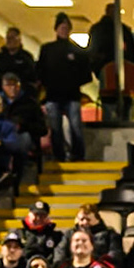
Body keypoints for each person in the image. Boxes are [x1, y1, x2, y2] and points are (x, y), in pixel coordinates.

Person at [37, 12, 91, 163]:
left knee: (76, 127)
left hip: (72, 95)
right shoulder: (47, 49)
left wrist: (73, 82)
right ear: (56, 29)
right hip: (53, 95)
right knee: (55, 129)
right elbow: (40, 71)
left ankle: (78, 155)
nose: (64, 30)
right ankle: (59, 157)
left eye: (66, 27)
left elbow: (86, 74)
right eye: (62, 27)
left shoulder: (77, 50)